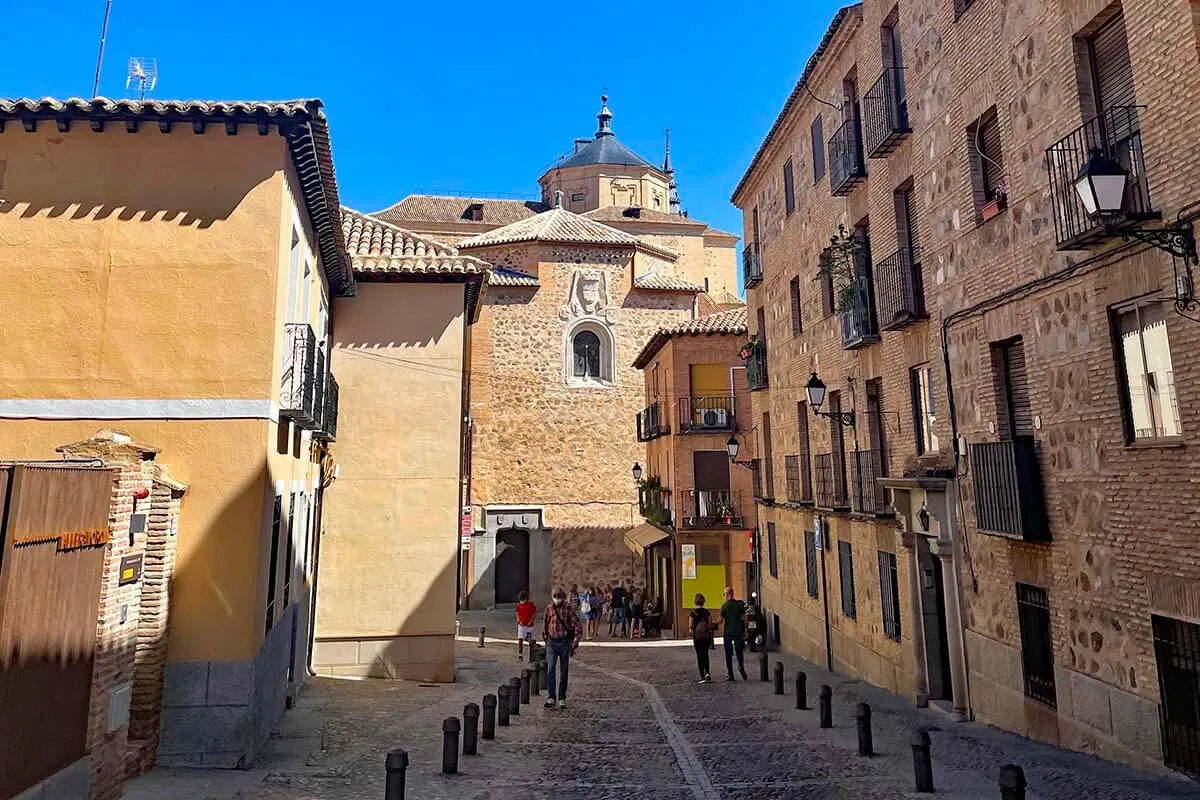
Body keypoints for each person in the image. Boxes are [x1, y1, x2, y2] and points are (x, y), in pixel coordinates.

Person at [542, 586, 583, 709]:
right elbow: (545, 624)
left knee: (564, 670)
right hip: (552, 642)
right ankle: (551, 697)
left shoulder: (568, 609)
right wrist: (546, 638)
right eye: (555, 596)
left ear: (563, 596)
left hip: (564, 642)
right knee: (550, 669)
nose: (557, 599)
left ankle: (562, 697)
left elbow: (577, 625)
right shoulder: (549, 608)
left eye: (559, 596)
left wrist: (575, 640)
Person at [720, 586, 748, 681]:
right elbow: (745, 618)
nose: (724, 596)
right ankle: (741, 666)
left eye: (724, 594)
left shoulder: (724, 606)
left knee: (728, 654)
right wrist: (746, 630)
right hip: (738, 632)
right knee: (739, 651)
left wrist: (712, 623)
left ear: (727, 594)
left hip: (728, 633)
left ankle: (730, 674)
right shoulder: (739, 605)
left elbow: (720, 620)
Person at [689, 593, 714, 683]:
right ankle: (707, 673)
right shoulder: (707, 612)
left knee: (699, 656)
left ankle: (702, 676)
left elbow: (690, 625)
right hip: (706, 637)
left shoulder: (693, 613)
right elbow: (710, 624)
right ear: (703, 601)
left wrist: (692, 629)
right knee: (705, 655)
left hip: (697, 637)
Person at [515, 590, 537, 661]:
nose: (521, 601)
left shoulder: (530, 604)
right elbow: (517, 613)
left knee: (529, 639)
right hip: (521, 625)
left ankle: (532, 654)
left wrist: (531, 621)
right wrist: (518, 621)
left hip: (529, 626)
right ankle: (520, 653)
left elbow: (534, 613)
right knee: (520, 639)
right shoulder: (519, 605)